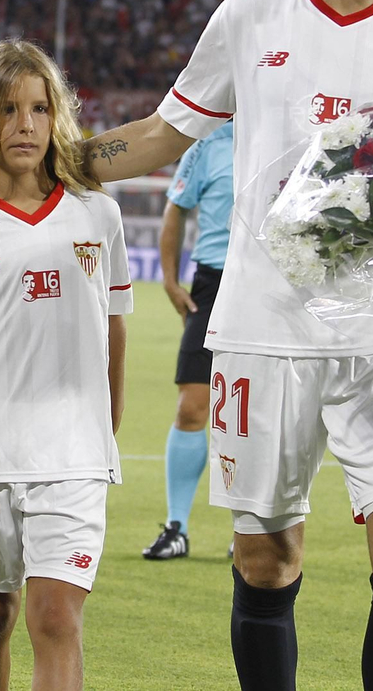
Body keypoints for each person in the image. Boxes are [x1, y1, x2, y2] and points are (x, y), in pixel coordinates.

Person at [84, 0, 373, 691]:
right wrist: (50, 162)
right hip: (264, 331)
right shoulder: (248, 18)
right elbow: (158, 134)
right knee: (265, 556)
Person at [0, 40, 131, 691]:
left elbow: (114, 333)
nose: (26, 124)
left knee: (55, 617)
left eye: (40, 108)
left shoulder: (98, 214)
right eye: (7, 109)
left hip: (73, 455)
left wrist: (103, 434)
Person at [144, 119, 233, 561]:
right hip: (213, 284)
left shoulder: (292, 133)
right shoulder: (210, 145)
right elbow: (176, 206)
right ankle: (176, 526)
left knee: (262, 414)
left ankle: (255, 527)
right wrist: (169, 279)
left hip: (273, 287)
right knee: (192, 405)